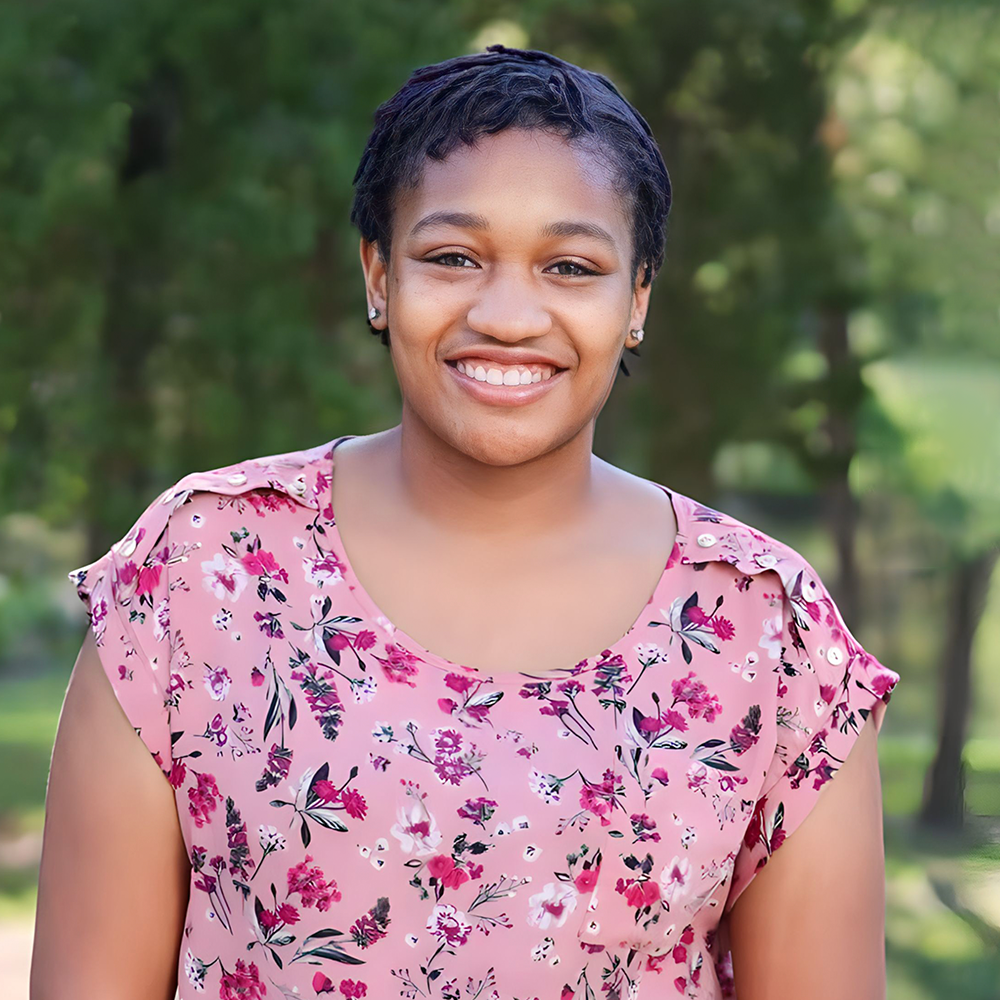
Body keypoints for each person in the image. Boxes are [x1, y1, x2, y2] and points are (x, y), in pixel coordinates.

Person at [32, 44, 899, 1000]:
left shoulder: (766, 637)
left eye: (571, 266)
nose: (510, 314)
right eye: (452, 257)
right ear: (378, 275)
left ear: (637, 297)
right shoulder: (198, 574)